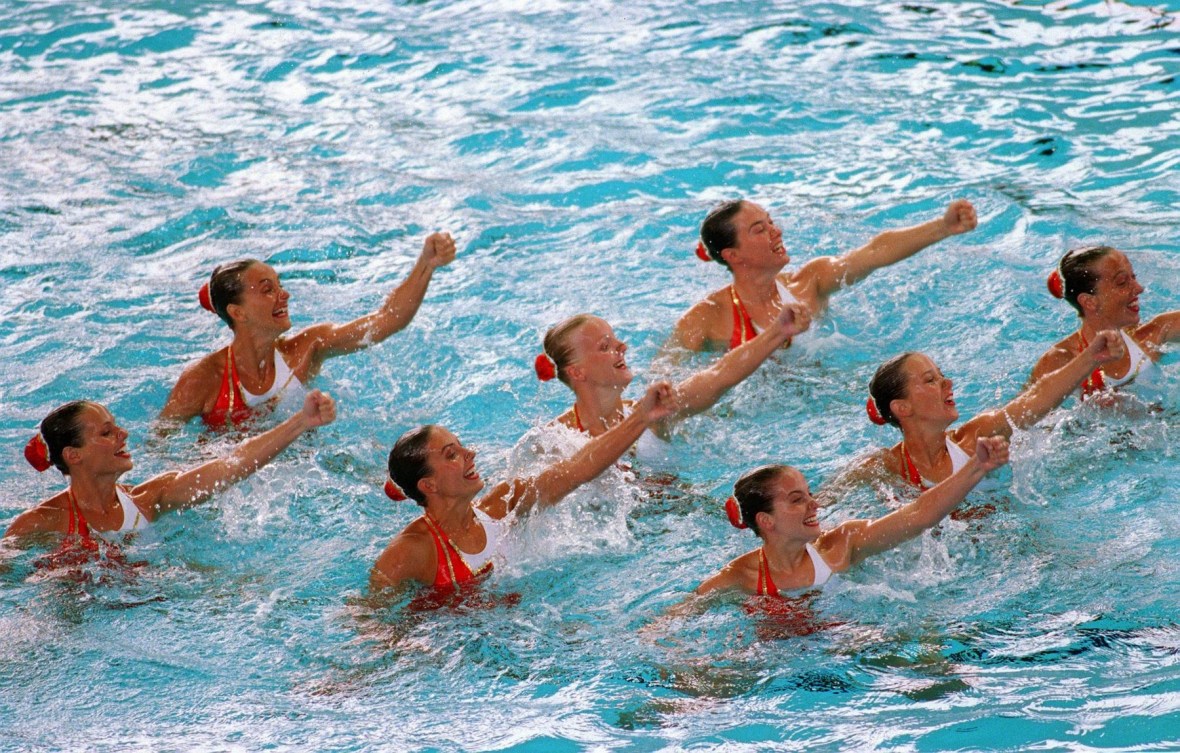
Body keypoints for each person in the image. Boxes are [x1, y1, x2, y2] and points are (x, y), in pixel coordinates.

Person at [369, 382, 676, 597]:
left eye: (462, 446)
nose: (470, 453)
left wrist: (641, 418)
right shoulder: (410, 552)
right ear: (429, 485)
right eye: (452, 455)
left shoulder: (504, 504)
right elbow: (372, 624)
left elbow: (578, 469)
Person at [160, 232, 455, 428]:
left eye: (280, 285)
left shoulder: (306, 349)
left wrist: (426, 265)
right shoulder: (202, 379)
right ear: (238, 312)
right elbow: (160, 447)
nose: (284, 295)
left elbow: (388, 319)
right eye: (268, 290)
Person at [6, 392, 336, 555]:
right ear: (73, 455)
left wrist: (301, 422)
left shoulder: (149, 499)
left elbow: (233, 464)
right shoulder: (40, 523)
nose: (123, 434)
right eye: (107, 433)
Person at [694, 436, 1008, 598]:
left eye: (809, 494)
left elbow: (919, 515)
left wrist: (976, 467)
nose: (814, 505)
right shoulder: (740, 578)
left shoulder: (840, 545)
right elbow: (677, 620)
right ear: (766, 521)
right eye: (797, 500)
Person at [669, 199, 978, 352]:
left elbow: (873, 252)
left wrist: (942, 227)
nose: (777, 231)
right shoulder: (705, 319)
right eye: (760, 229)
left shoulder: (809, 283)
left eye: (771, 222)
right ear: (732, 255)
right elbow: (670, 383)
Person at [534, 303, 810, 453]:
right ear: (577, 372)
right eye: (605, 347)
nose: (622, 347)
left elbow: (719, 375)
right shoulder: (557, 443)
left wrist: (778, 331)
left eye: (616, 340)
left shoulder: (655, 411)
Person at [863, 332, 1125, 488]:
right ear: (902, 407)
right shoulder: (886, 467)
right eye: (931, 380)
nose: (948, 383)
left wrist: (1091, 357)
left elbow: (1036, 399)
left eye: (942, 375)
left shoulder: (975, 439)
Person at [1032, 245, 1180, 397]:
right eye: (1122, 282)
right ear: (1089, 302)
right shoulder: (1059, 361)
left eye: (1133, 277)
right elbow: (1022, 410)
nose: (1139, 288)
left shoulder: (1151, 336)